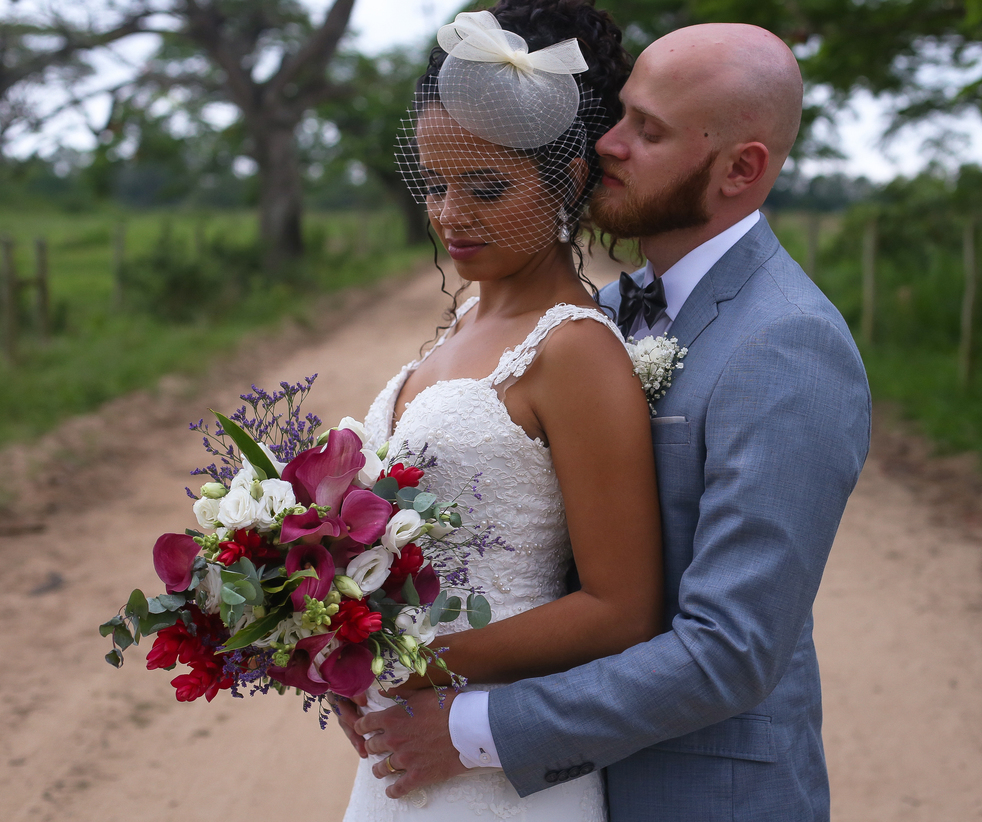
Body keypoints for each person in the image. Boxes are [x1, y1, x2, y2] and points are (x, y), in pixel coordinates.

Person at [350, 18, 873, 822]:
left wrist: (463, 721)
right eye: (621, 113)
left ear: (742, 167)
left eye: (647, 131)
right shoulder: (610, 310)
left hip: (700, 795)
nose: (606, 144)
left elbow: (730, 652)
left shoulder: (787, 344)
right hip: (570, 781)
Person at [338, 2, 664, 820]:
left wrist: (410, 661)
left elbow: (621, 609)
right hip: (401, 753)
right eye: (436, 182)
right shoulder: (462, 325)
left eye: (486, 187)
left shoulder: (574, 350)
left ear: (569, 178)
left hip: (494, 768)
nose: (450, 212)